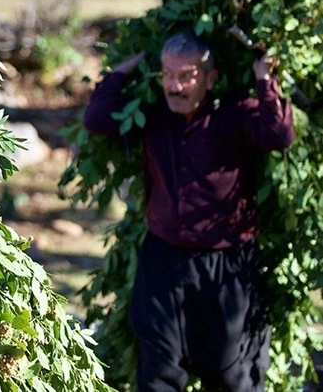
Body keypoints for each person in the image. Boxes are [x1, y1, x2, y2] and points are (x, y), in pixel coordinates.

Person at [83, 32, 295, 391]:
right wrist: (124, 69)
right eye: (167, 74)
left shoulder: (235, 113)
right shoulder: (152, 116)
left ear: (210, 79)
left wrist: (264, 77)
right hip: (164, 261)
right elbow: (98, 117)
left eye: (186, 76)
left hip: (226, 266)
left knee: (230, 374)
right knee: (159, 371)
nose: (175, 86)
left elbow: (279, 135)